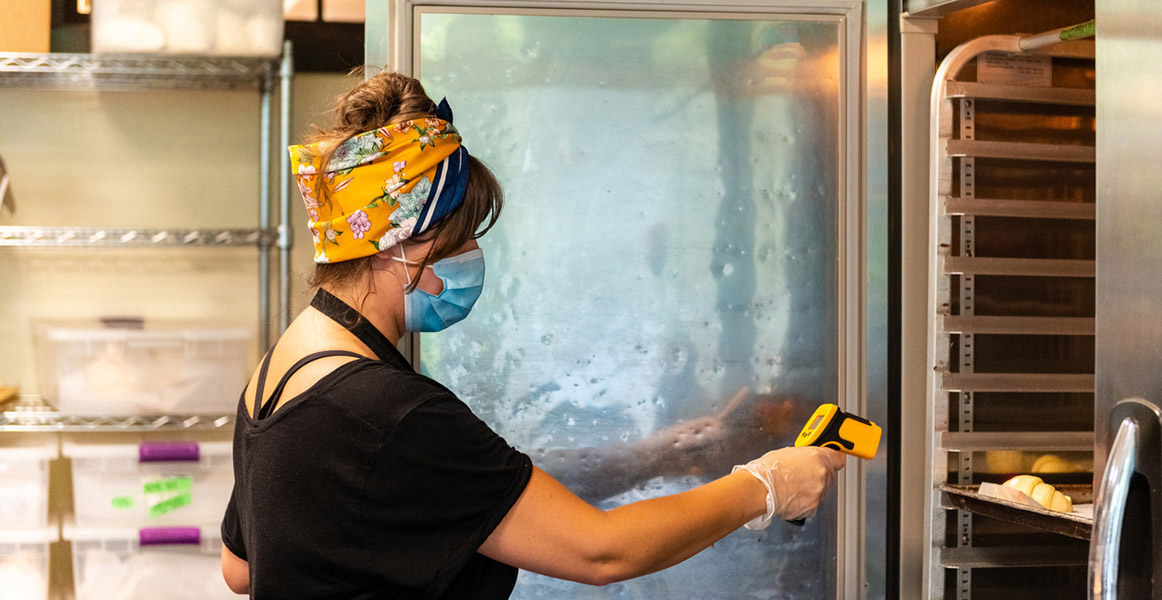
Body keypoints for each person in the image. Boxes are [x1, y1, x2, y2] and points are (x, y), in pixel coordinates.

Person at [220, 71, 845, 599]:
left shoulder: (284, 373)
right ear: (397, 246)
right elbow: (603, 554)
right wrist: (762, 485)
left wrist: (662, 456)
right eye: (460, 239)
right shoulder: (389, 412)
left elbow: (243, 567)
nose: (472, 255)